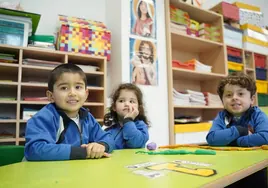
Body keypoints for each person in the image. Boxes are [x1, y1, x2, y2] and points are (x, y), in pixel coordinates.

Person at [24, 64, 114, 161]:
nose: (72, 93)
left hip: (74, 171)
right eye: (64, 88)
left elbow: (108, 138)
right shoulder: (43, 118)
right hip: (47, 173)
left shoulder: (87, 117)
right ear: (51, 96)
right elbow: (35, 150)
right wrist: (82, 152)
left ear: (86, 94)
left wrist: (101, 145)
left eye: (78, 87)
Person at [206, 72, 268, 147]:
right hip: (229, 157)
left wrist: (237, 142)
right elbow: (212, 138)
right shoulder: (222, 116)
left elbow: (265, 137)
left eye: (240, 94)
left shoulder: (257, 115)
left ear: (252, 99)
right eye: (229, 95)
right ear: (222, 101)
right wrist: (240, 130)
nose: (234, 98)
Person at [103, 83, 149, 149]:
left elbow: (135, 143)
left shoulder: (141, 126)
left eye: (131, 101)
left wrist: (128, 120)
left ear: (138, 108)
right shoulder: (109, 130)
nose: (127, 104)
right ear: (114, 107)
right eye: (121, 101)